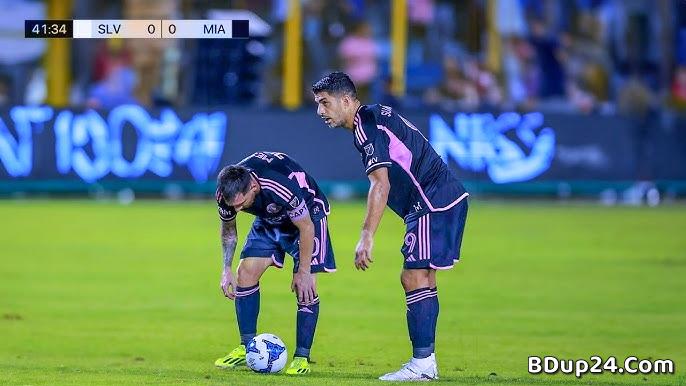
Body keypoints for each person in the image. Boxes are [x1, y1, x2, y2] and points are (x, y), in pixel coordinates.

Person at [312, 72, 469, 381]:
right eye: (318, 104)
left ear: (346, 101)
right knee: (423, 279)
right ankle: (426, 362)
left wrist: (366, 236)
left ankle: (423, 364)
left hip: (431, 201)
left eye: (325, 103)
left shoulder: (366, 127)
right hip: (442, 198)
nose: (320, 112)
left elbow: (380, 184)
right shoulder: (374, 116)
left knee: (413, 276)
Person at [213, 151, 335, 375]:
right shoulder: (226, 194)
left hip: (307, 216)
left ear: (253, 188)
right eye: (234, 206)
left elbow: (306, 227)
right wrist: (226, 268)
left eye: (241, 204)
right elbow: (229, 232)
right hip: (270, 218)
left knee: (305, 286)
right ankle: (246, 347)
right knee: (245, 273)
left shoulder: (279, 185)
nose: (238, 210)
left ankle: (301, 357)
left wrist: (304, 271)